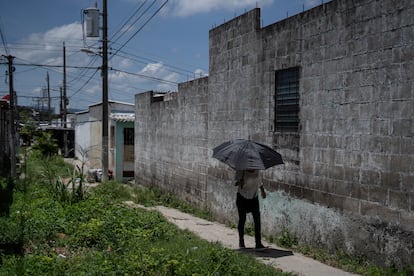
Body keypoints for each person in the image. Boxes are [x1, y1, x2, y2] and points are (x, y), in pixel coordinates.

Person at [234, 169, 266, 250]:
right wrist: (239, 182)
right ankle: (241, 241)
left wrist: (262, 191)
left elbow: (259, 181)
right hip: (242, 197)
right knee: (242, 219)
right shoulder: (241, 170)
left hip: (254, 198)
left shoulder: (257, 170)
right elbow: (235, 182)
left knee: (257, 220)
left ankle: (258, 243)